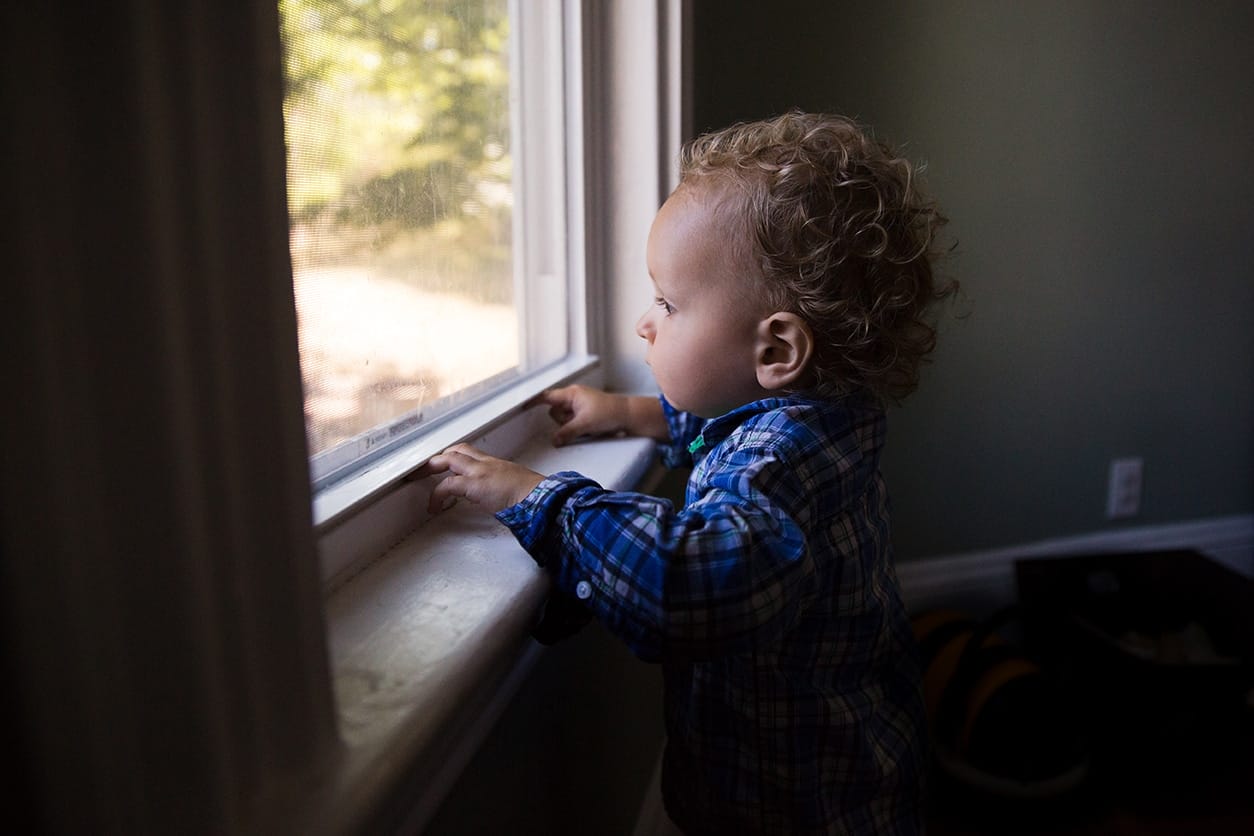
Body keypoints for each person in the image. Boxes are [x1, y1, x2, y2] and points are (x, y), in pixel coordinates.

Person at [424, 111, 956, 835]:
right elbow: (720, 421)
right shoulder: (821, 415)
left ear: (776, 350)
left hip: (808, 807)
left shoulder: (780, 462)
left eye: (669, 304)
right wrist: (627, 412)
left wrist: (534, 496)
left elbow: (687, 584)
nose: (646, 322)